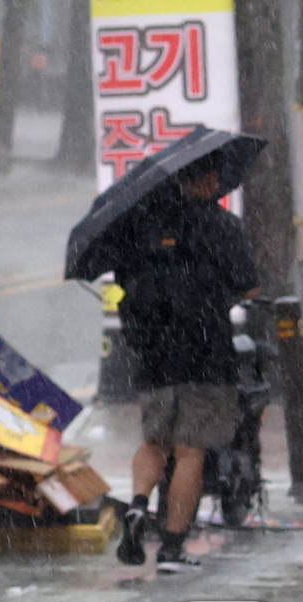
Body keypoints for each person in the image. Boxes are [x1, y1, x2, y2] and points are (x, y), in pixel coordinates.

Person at [110, 152, 261, 572]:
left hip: (154, 352)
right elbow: (250, 286)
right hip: (205, 351)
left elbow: (125, 281)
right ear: (210, 178)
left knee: (154, 441)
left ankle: (139, 504)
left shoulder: (139, 226)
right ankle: (173, 547)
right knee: (190, 451)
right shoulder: (220, 226)